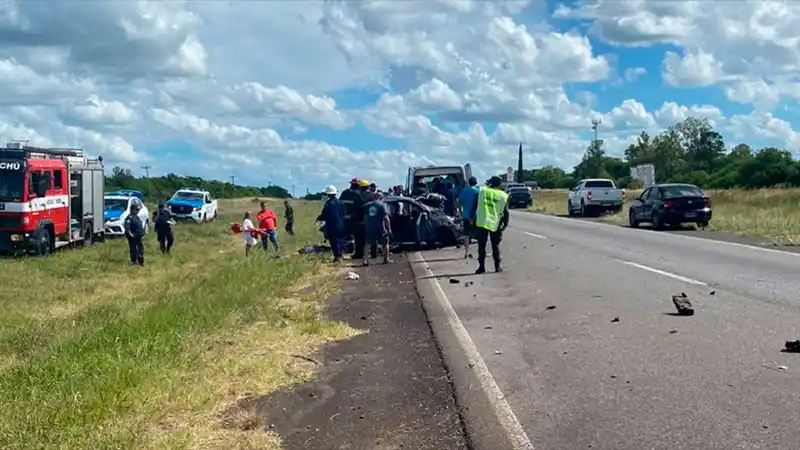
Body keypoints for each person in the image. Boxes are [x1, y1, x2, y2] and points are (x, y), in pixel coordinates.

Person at [469, 176, 509, 274]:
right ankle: (497, 266)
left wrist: (471, 217)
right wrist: (505, 224)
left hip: (482, 221)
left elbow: (474, 205)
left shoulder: (482, 191)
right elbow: (506, 212)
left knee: (481, 246)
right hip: (495, 222)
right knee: (495, 246)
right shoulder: (502, 195)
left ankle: (481, 267)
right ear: (499, 184)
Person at [362, 191, 392, 266]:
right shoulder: (382, 205)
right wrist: (389, 229)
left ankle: (365, 260)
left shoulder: (368, 205)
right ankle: (386, 259)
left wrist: (367, 225)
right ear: (381, 197)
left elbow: (365, 217)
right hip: (380, 228)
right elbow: (386, 218)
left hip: (370, 228)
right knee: (385, 243)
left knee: (367, 244)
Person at [318, 185, 346, 262]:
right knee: (340, 240)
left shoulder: (328, 204)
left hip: (332, 225)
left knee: (334, 241)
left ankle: (337, 256)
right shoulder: (340, 202)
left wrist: (319, 218)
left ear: (328, 194)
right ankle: (340, 254)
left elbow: (324, 215)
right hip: (341, 224)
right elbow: (344, 214)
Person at [340, 178, 367, 259]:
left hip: (344, 218)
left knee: (344, 236)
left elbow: (340, 204)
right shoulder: (357, 194)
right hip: (355, 219)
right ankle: (358, 253)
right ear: (358, 186)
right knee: (358, 237)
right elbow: (362, 207)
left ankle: (341, 253)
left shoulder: (344, 193)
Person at [458, 176, 480, 259]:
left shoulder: (463, 191)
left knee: (466, 235)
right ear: (476, 183)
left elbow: (458, 203)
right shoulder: (478, 191)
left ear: (469, 183)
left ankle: (467, 252)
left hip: (466, 216)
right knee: (479, 235)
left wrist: (461, 212)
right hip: (476, 216)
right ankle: (479, 252)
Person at [359, 179, 378, 259]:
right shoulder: (372, 195)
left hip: (363, 218)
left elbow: (358, 208)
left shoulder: (359, 195)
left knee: (363, 238)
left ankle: (363, 254)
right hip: (372, 218)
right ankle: (374, 253)